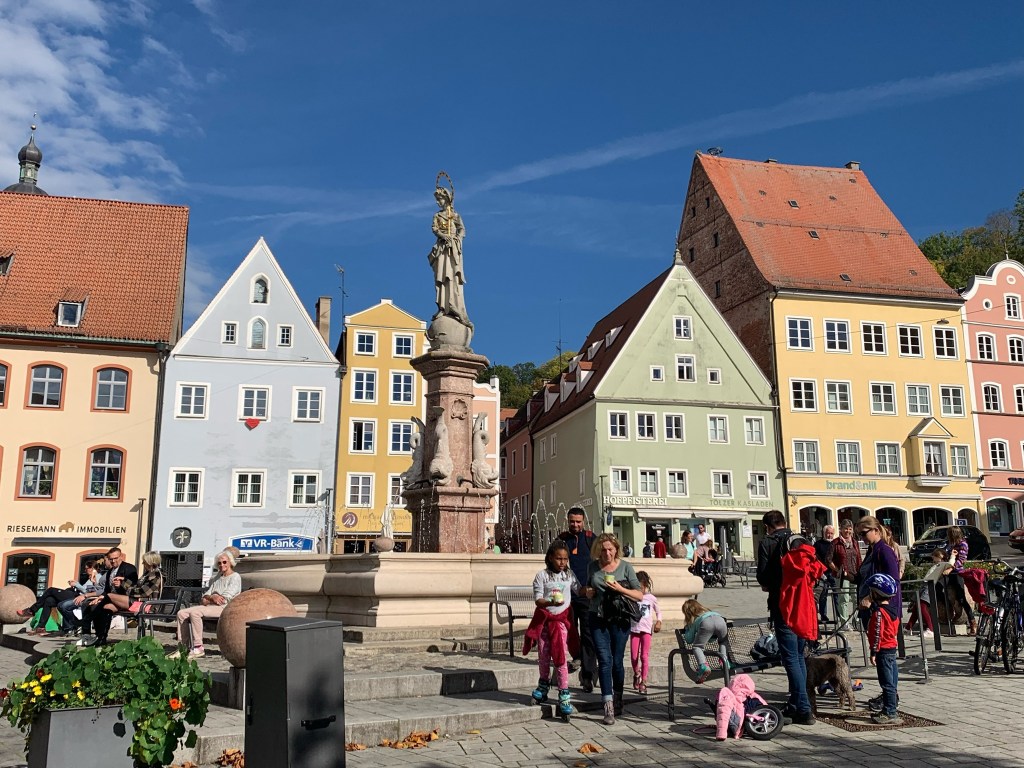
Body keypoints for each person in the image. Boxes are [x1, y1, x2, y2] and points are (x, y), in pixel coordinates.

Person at [756, 509, 814, 725]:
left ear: (767, 526)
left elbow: (763, 576)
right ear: (784, 522)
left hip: (783, 604)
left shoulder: (767, 542)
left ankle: (804, 709)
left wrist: (769, 584)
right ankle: (798, 705)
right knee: (798, 656)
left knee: (790, 658)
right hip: (803, 603)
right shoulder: (801, 539)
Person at [585, 533, 644, 725]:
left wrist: (620, 589)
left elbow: (639, 595)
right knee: (604, 660)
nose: (607, 553)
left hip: (619, 618)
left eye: (610, 549)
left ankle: (618, 697)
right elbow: (587, 588)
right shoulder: (592, 566)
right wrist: (588, 592)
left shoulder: (625, 567)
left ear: (616, 549)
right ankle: (608, 705)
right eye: (603, 550)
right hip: (597, 616)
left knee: (617, 661)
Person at [525, 541, 580, 719]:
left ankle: (564, 692)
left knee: (560, 658)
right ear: (550, 558)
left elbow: (579, 590)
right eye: (558, 558)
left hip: (561, 623)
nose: (562, 562)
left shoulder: (569, 575)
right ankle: (543, 684)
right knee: (543, 655)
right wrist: (550, 602)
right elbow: (538, 600)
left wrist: (590, 589)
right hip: (544, 622)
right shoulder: (542, 576)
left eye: (565, 559)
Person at [169, 551, 242, 659]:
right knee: (181, 613)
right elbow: (205, 597)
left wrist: (211, 597)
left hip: (226, 608)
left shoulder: (235, 577)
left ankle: (198, 647)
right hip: (211, 606)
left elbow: (224, 599)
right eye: (219, 563)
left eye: (224, 562)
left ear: (230, 562)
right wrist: (212, 597)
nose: (222, 565)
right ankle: (183, 647)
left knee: (195, 613)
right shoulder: (217, 577)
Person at [558, 507, 597, 693]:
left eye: (578, 521)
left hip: (586, 595)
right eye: (572, 521)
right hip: (567, 596)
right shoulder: (561, 539)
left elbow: (600, 562)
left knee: (588, 634)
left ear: (583, 522)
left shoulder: (590, 538)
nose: (575, 524)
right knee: (570, 631)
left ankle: (588, 676)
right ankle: (578, 656)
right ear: (568, 521)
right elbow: (553, 563)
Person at [864, 573, 902, 725]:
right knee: (892, 681)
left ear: (876, 593)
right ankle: (890, 708)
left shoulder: (879, 613)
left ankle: (890, 712)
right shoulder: (894, 611)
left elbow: (877, 633)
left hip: (883, 651)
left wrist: (873, 651)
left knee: (886, 683)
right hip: (892, 649)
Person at [81, 548, 138, 646]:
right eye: (111, 559)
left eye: (116, 558)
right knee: (102, 608)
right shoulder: (110, 571)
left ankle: (87, 620)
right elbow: (107, 590)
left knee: (102, 601)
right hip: (112, 600)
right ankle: (101, 637)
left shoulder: (129, 568)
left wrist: (122, 583)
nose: (113, 561)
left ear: (121, 557)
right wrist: (99, 598)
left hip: (128, 600)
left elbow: (135, 584)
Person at [855, 516, 902, 630]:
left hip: (882, 610)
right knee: (873, 641)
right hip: (869, 608)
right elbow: (864, 577)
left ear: (875, 530)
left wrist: (870, 598)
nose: (861, 537)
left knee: (881, 641)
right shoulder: (871, 551)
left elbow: (893, 582)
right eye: (859, 535)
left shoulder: (885, 551)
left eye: (864, 533)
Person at [681, 598, 730, 684]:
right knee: (723, 641)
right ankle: (724, 662)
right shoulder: (709, 612)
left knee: (697, 647)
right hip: (721, 620)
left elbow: (689, 640)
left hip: (706, 623)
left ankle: (703, 665)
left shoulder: (695, 619)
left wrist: (687, 629)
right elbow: (712, 639)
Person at [629, 571, 661, 695]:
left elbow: (658, 611)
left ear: (646, 585)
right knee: (634, 656)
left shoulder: (651, 598)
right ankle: (637, 673)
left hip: (646, 630)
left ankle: (644, 680)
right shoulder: (631, 596)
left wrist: (659, 621)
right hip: (634, 629)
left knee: (644, 656)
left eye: (641, 587)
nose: (639, 590)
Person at [942, 526, 977, 635]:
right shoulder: (951, 544)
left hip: (957, 573)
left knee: (961, 598)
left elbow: (961, 560)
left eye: (949, 534)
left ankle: (972, 622)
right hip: (948, 573)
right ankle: (951, 615)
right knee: (945, 594)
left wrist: (950, 569)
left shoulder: (963, 544)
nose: (948, 536)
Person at [60, 559, 106, 638]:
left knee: (64, 605)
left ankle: (76, 625)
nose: (85, 570)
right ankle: (76, 624)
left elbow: (94, 591)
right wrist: (76, 584)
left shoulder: (98, 577)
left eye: (86, 568)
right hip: (82, 597)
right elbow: (86, 589)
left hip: (88, 598)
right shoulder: (90, 578)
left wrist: (77, 585)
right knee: (60, 604)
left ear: (92, 568)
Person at [906, 549, 945, 637]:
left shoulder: (943, 564)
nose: (933, 558)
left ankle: (930, 629)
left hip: (930, 586)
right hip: (925, 585)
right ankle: (908, 628)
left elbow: (950, 564)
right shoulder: (936, 565)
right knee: (917, 607)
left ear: (940, 556)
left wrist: (953, 556)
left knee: (922, 606)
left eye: (935, 556)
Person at [831, 520, 861, 627]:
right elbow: (828, 560)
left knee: (856, 598)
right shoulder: (835, 543)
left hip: (855, 574)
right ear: (841, 529)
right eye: (845, 529)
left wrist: (860, 571)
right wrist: (838, 570)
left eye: (850, 529)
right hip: (843, 576)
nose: (848, 531)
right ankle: (844, 623)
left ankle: (856, 620)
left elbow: (858, 558)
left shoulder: (855, 542)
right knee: (844, 599)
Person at [814, 525, 837, 622]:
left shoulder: (836, 543)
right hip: (823, 573)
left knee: (837, 594)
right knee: (823, 595)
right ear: (824, 533)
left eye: (831, 533)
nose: (830, 535)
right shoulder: (818, 544)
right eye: (828, 533)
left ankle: (838, 615)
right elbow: (815, 558)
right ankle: (823, 615)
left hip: (834, 573)